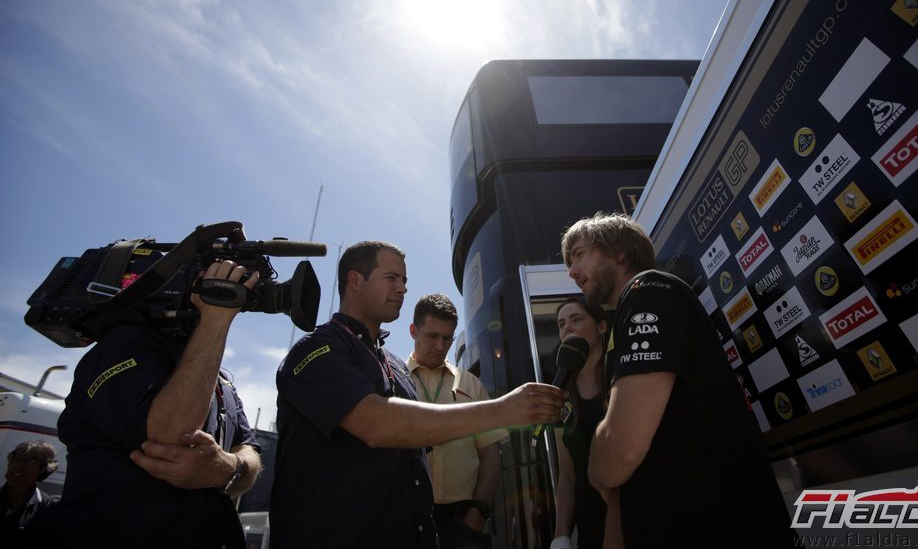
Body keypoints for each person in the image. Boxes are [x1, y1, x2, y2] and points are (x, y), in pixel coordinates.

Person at [271, 241, 564, 548]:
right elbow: (377, 424)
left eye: (405, 281)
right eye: (392, 278)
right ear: (355, 280)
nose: (402, 289)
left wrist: (474, 514)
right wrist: (504, 409)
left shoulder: (394, 366)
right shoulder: (318, 351)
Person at [561, 213, 796, 547]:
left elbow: (621, 451)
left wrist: (597, 468)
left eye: (579, 255)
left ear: (620, 253)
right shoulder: (624, 322)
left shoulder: (649, 291)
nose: (571, 271)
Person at [30, 260, 263, 548]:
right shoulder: (124, 344)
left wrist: (230, 468)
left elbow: (249, 452)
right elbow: (173, 434)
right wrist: (215, 318)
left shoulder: (221, 379)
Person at [407, 293, 507, 549]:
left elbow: (490, 453)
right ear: (413, 331)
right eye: (432, 336)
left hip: (463, 524)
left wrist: (478, 514)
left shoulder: (471, 384)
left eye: (448, 338)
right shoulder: (392, 379)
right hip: (404, 523)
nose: (441, 346)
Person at [550, 297, 608, 549]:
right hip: (590, 527)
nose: (567, 328)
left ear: (601, 327)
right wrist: (561, 536)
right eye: (561, 324)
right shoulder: (560, 395)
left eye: (576, 319)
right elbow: (567, 476)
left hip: (639, 516)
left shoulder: (622, 375)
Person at [0, 441, 59, 544]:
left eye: (30, 461)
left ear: (42, 469)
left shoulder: (46, 509)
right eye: (17, 459)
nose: (18, 467)